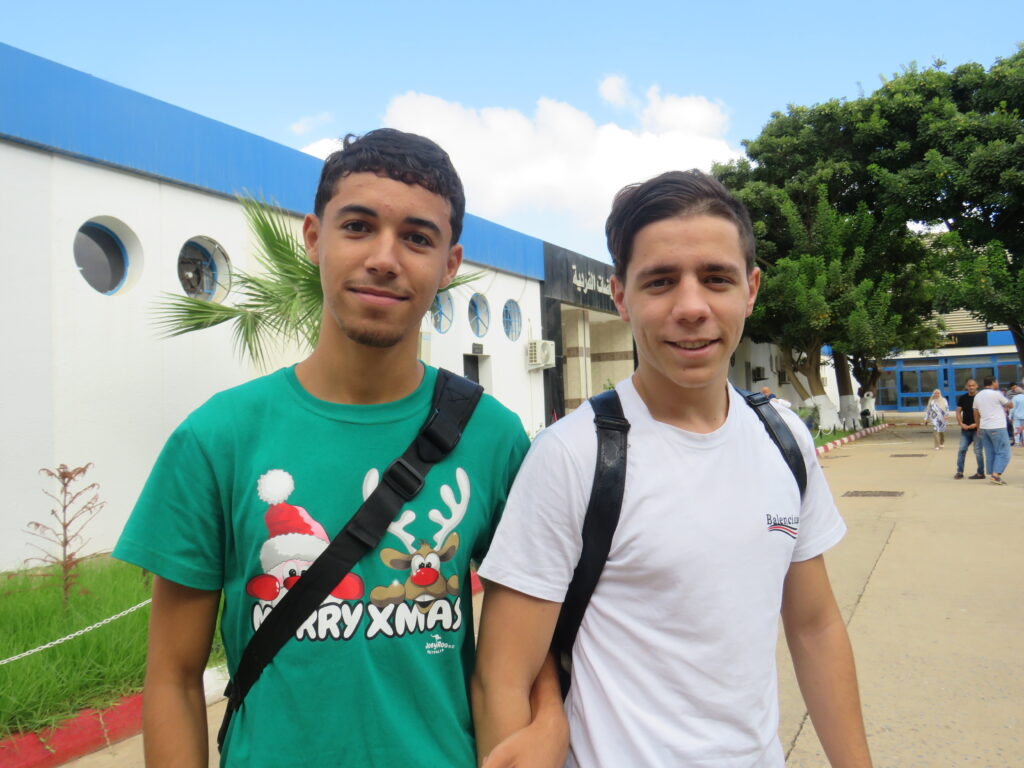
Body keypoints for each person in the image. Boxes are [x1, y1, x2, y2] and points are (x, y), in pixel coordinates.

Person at [113, 129, 565, 767]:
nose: (384, 258)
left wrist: (550, 715)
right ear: (314, 237)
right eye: (358, 226)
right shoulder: (218, 437)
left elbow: (526, 629)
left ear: (450, 264)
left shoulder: (493, 437)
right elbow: (173, 679)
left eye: (417, 238)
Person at [472, 170, 872, 767]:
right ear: (620, 296)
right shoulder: (573, 455)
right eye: (660, 282)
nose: (691, 308)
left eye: (716, 279)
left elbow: (814, 628)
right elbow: (502, 679)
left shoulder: (783, 437)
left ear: (751, 289)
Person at [973, 376, 1013, 485]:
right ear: (993, 382)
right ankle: (996, 475)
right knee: (1004, 451)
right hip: (997, 426)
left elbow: (975, 413)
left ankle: (992, 473)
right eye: (997, 382)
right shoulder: (996, 394)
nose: (998, 384)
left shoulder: (978, 395)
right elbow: (1010, 405)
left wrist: (978, 427)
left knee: (990, 451)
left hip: (984, 427)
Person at [954, 379, 986, 479]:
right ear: (966, 387)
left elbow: (985, 413)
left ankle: (980, 473)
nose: (971, 387)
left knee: (978, 452)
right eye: (969, 385)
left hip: (977, 430)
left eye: (973, 385)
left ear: (977, 386)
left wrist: (976, 424)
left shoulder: (981, 398)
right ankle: (959, 472)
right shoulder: (962, 398)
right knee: (962, 450)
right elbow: (958, 412)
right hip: (965, 430)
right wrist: (961, 423)